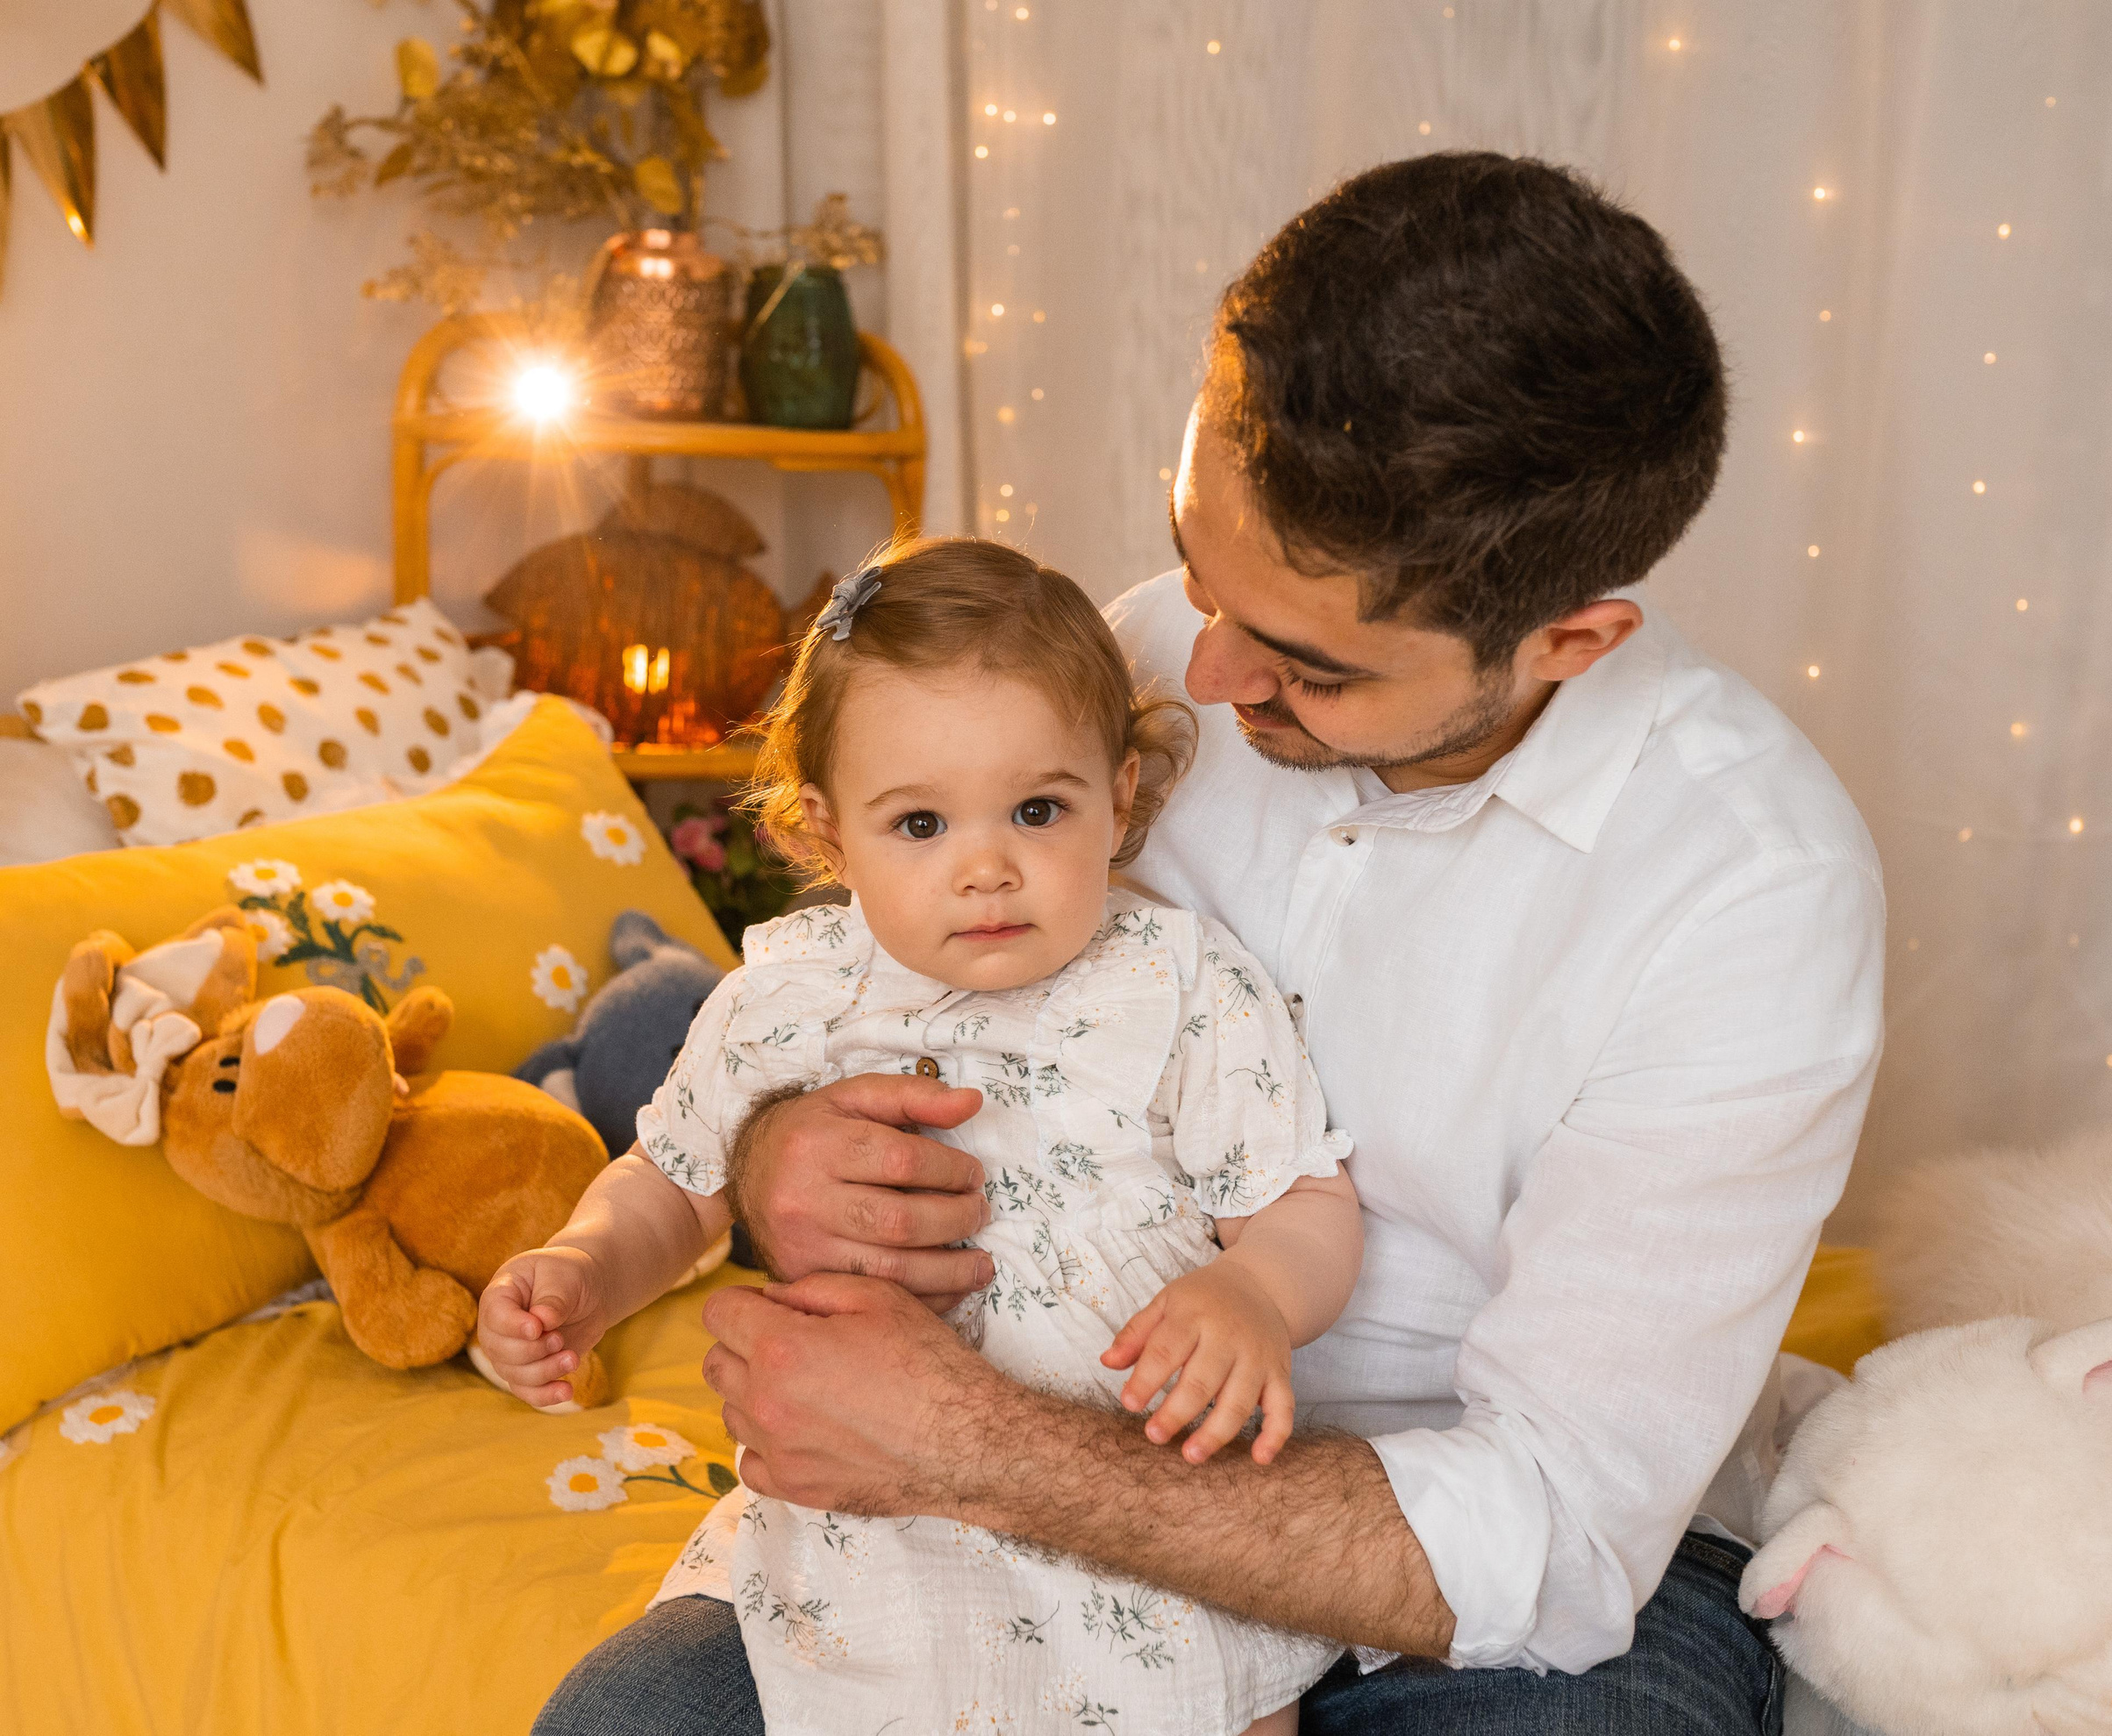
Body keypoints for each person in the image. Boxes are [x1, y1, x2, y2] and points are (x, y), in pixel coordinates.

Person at [538, 151, 1886, 1735]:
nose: (1210, 668)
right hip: (1029, 1442)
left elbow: (1558, 1535)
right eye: (1196, 562)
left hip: (1449, 1552)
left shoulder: (1750, 893)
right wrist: (775, 1157)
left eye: (1308, 666)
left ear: (1567, 640)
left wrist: (973, 1447)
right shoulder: (1146, 656)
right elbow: (888, 996)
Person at [489, 540, 1369, 1736]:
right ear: (827, 833)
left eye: (1038, 808)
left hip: (1135, 1497)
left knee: (1217, 1705)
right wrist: (587, 1268)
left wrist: (1257, 1293)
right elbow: (673, 1183)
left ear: (1121, 797)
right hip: (870, 1525)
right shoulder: (793, 997)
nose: (988, 866)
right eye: (919, 824)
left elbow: (1302, 1201)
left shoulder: (1176, 981)